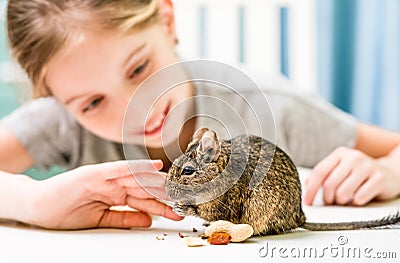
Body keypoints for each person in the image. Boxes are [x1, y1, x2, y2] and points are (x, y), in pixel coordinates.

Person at [1, 0, 399, 230]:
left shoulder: (268, 104)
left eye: (139, 69)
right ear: (56, 99)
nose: (136, 108)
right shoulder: (57, 123)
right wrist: (32, 201)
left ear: (168, 20)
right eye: (92, 103)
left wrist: (388, 171)